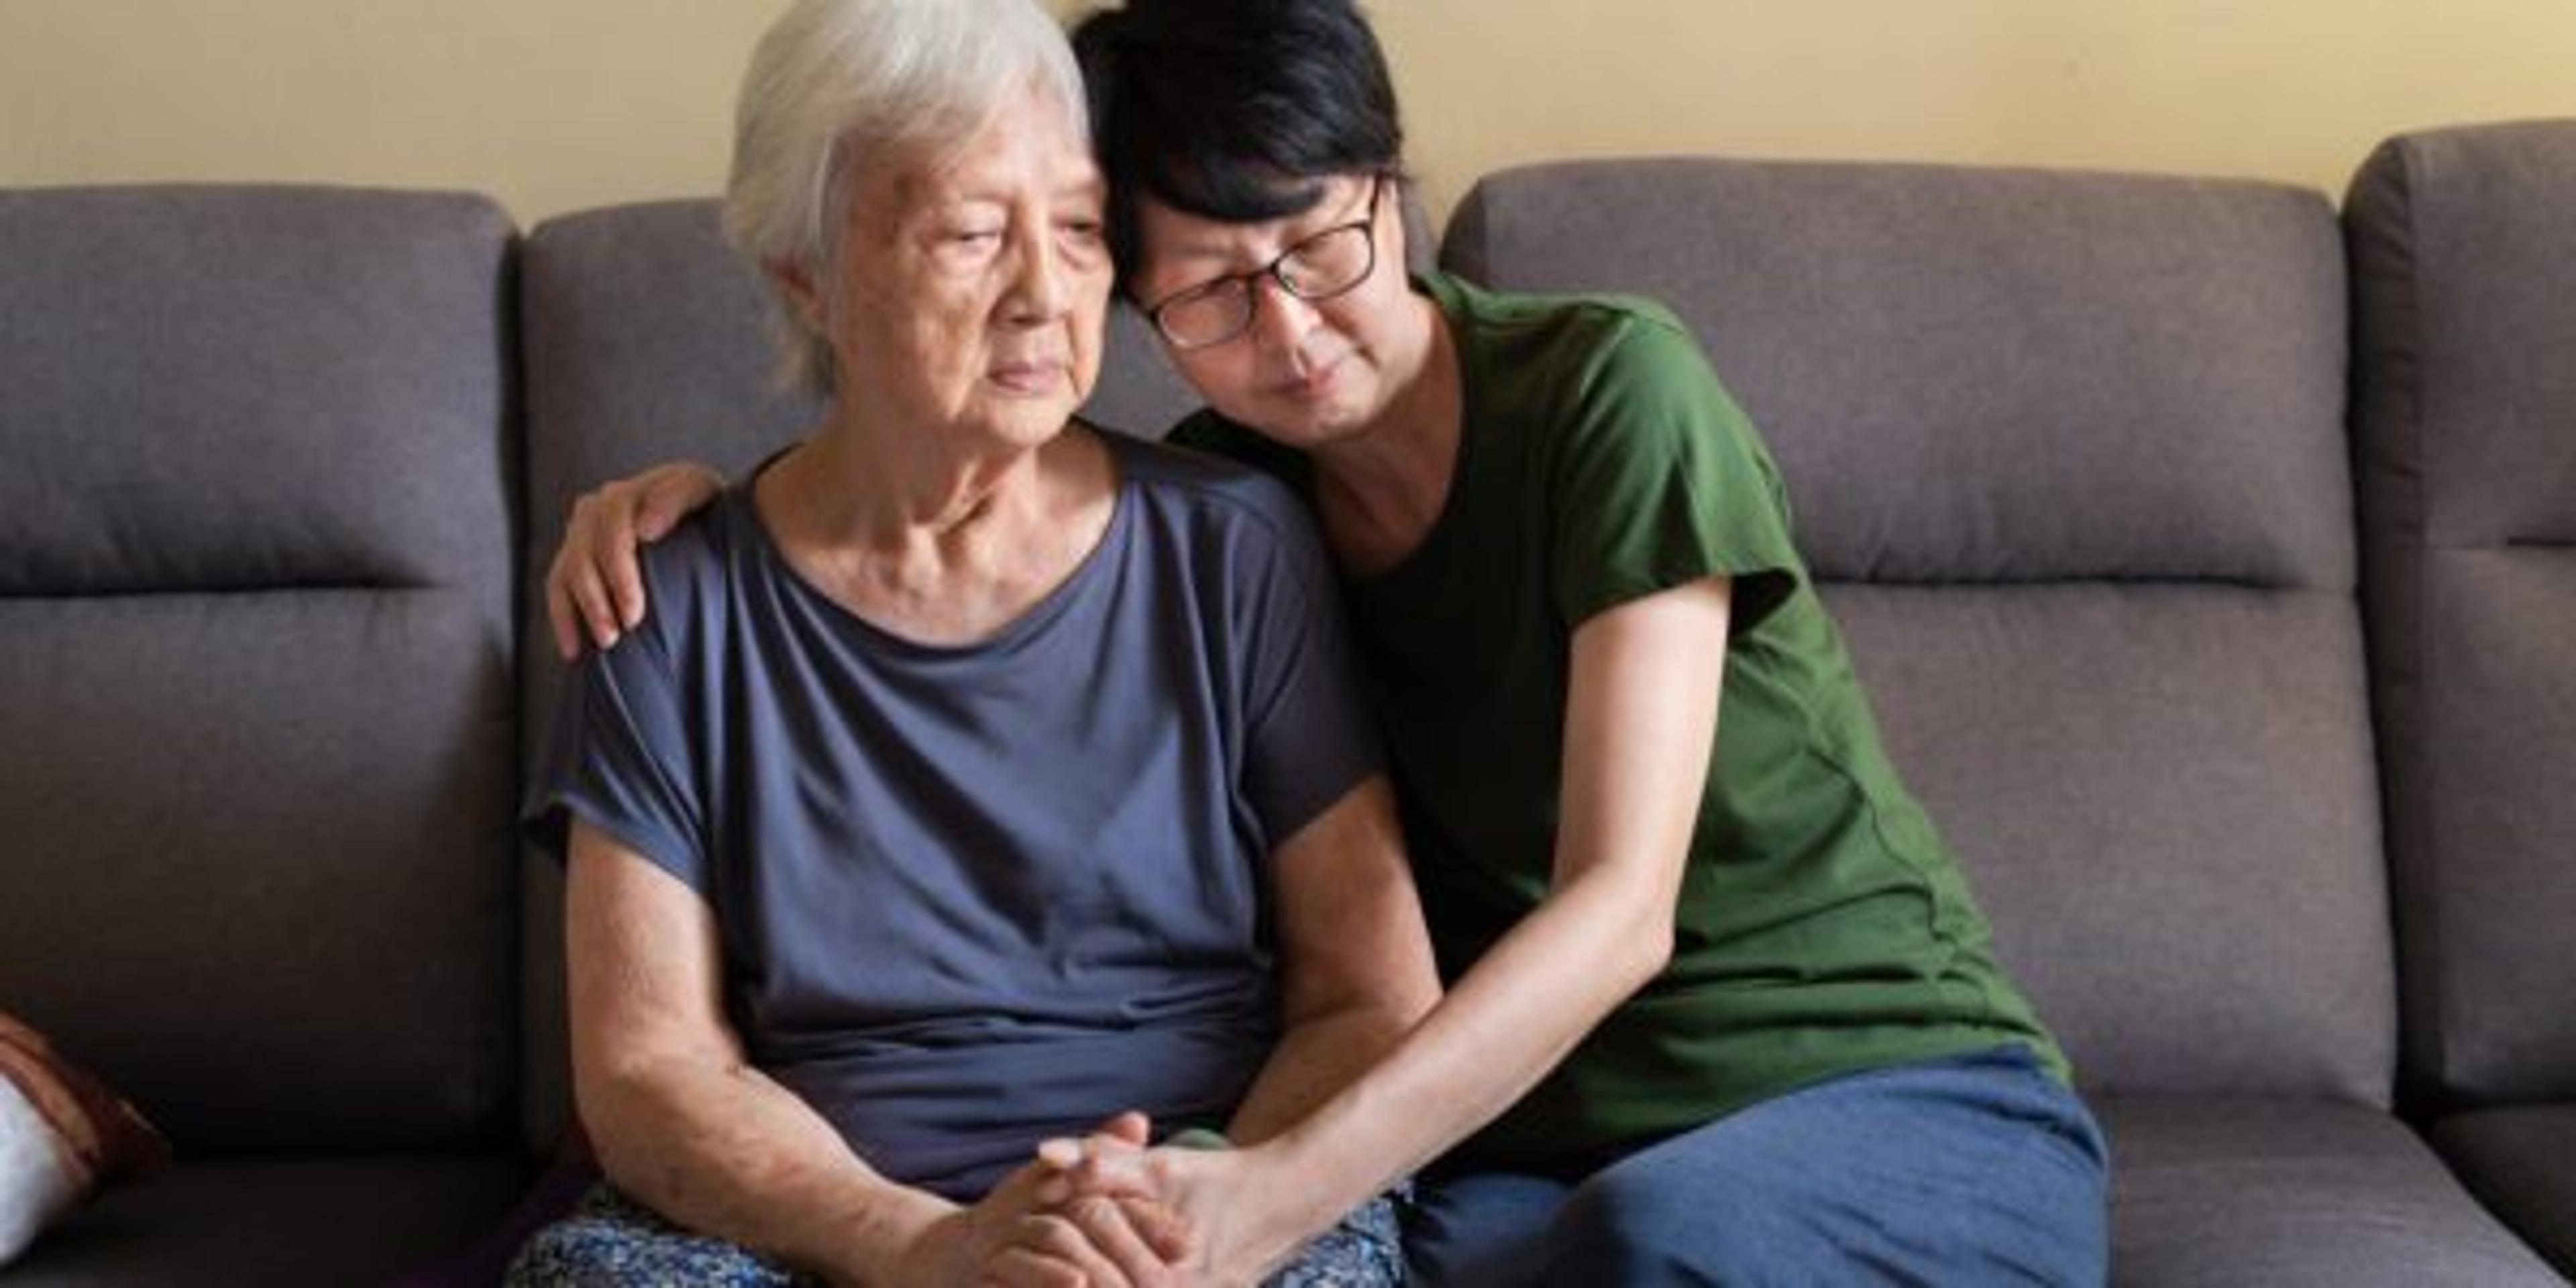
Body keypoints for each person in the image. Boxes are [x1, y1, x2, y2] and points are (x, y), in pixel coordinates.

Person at [549, 0, 2112, 1281]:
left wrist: (1261, 1194)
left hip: (1859, 1087)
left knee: (1655, 1245)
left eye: (1320, 245)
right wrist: (691, 525)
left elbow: (1617, 910)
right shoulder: (1246, 498)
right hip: (1527, 1144)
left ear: (1395, 193)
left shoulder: (1601, 398)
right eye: (1215, 291)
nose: (1290, 335)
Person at [510, 1, 1440, 1284]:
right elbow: (648, 1069)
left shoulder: (1232, 549)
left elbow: (1372, 998)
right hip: (827, 1230)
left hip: (1202, 1203)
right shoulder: (662, 599)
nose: (1044, 294)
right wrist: (924, 1247)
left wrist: (1182, 1215)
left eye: (1075, 228)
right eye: (968, 233)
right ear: (807, 275)